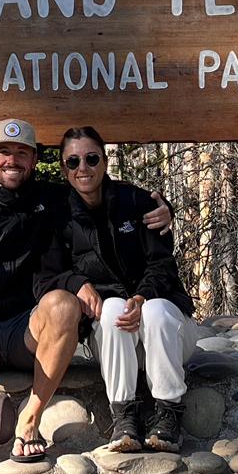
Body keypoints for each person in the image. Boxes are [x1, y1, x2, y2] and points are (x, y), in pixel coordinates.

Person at [0, 116, 172, 461]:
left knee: (63, 303)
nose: (12, 160)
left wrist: (163, 211)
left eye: (22, 152)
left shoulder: (53, 199)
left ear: (34, 160)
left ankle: (29, 419)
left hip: (28, 331)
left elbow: (103, 197)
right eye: (4, 151)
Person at [39, 126, 200, 452]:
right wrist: (77, 283)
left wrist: (142, 296)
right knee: (111, 307)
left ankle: (168, 414)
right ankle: (125, 415)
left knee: (154, 309)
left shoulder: (140, 203)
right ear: (63, 168)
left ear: (105, 160)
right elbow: (47, 274)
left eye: (91, 158)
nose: (82, 168)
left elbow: (162, 264)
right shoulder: (58, 216)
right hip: (115, 341)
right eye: (73, 161)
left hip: (166, 332)